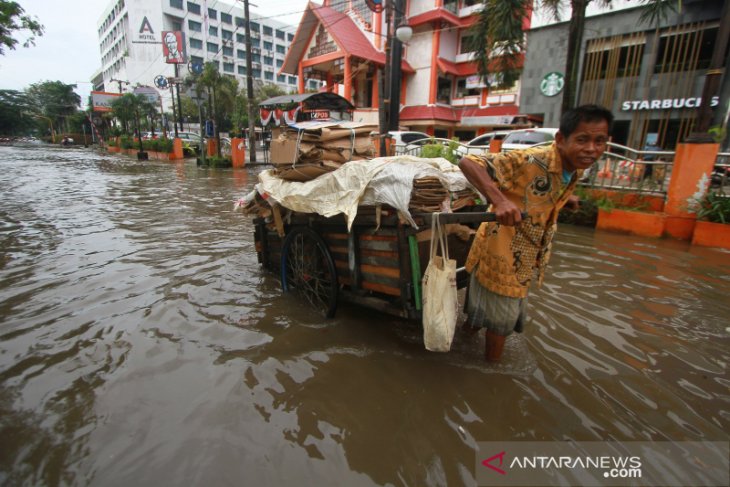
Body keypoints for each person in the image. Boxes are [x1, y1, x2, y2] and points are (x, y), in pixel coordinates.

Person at [458, 104, 613, 362]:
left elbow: (537, 191)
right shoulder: (531, 160)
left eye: (599, 141)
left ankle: (463, 345)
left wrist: (564, 198)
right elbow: (469, 162)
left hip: (528, 253)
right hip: (501, 250)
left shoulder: (573, 165)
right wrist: (500, 201)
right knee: (501, 322)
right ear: (561, 140)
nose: (591, 149)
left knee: (484, 314)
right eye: (583, 140)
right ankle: (491, 376)